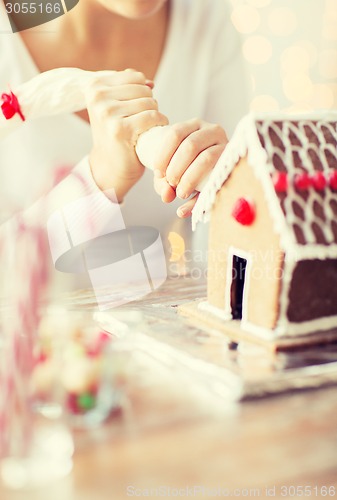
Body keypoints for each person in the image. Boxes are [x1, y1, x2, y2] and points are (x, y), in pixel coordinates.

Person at [0, 0, 249, 281]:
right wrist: (98, 181)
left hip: (158, 319)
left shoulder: (205, 19)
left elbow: (225, 267)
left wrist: (223, 198)